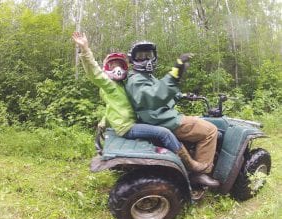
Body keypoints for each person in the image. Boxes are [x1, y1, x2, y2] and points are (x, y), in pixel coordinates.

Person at [72, 32, 208, 172]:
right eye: (113, 65)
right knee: (164, 133)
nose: (117, 69)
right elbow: (94, 72)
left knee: (161, 131)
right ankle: (191, 165)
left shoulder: (122, 86)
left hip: (132, 123)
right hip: (128, 127)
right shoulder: (109, 85)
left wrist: (103, 122)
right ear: (106, 68)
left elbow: (114, 107)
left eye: (120, 65)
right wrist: (85, 49)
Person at [125, 41, 219, 187]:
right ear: (132, 59)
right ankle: (201, 173)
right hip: (162, 120)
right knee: (210, 131)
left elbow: (161, 91)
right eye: (141, 57)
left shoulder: (145, 76)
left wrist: (181, 95)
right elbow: (154, 96)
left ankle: (193, 158)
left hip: (161, 116)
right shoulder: (135, 80)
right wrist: (174, 75)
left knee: (196, 120)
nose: (146, 60)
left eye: (149, 55)